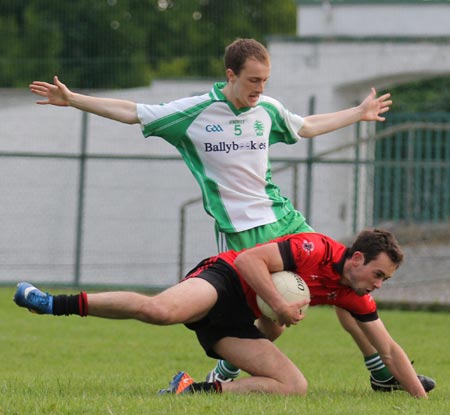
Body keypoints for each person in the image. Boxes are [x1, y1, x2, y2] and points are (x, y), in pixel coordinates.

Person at [29, 38, 401, 388]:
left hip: (286, 222)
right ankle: (222, 373)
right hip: (242, 234)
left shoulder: (267, 109)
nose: (260, 89)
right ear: (230, 76)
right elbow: (133, 113)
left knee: (344, 279)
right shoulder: (195, 113)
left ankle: (381, 370)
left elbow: (306, 127)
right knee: (270, 320)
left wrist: (359, 112)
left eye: (265, 81)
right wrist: (74, 99)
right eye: (253, 80)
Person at [13, 228, 433, 397]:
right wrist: (282, 303)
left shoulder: (354, 295)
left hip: (237, 323)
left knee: (293, 386)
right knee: (161, 311)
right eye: (378, 274)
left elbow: (391, 350)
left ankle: (192, 390)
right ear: (357, 258)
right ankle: (51, 303)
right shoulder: (316, 248)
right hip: (225, 281)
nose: (378, 284)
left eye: (385, 280)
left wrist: (418, 397)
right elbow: (250, 260)